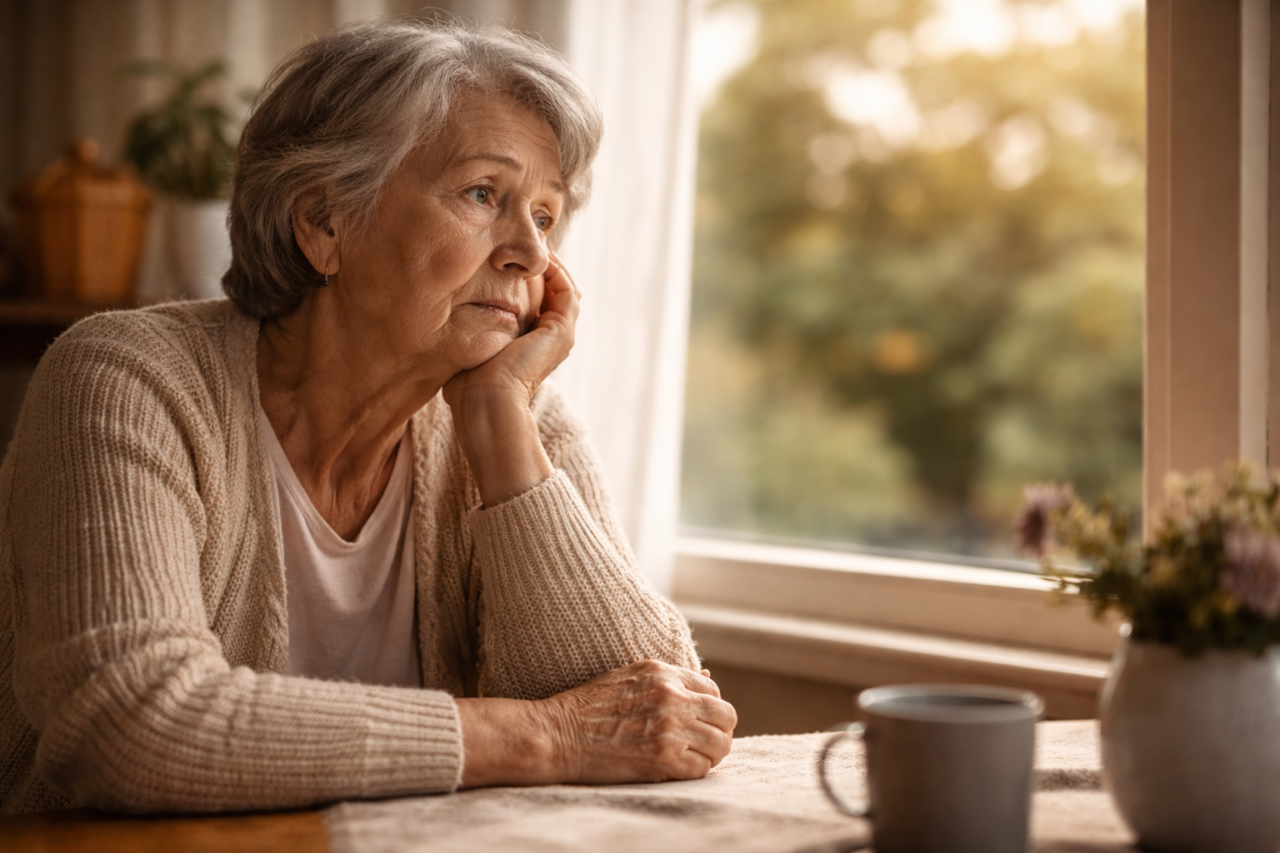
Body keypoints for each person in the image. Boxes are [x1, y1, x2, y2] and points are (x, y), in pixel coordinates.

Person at [0, 20, 736, 814]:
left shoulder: (521, 414)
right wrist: (549, 736)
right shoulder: (129, 378)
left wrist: (500, 426)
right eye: (483, 194)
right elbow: (130, 722)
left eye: (546, 215)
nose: (530, 253)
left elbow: (659, 717)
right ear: (324, 222)